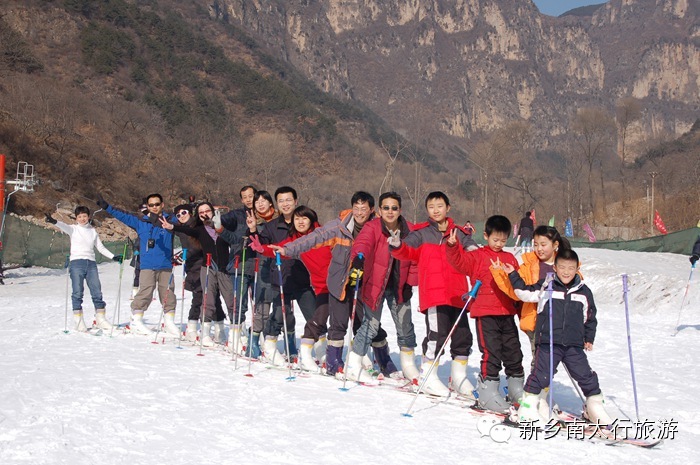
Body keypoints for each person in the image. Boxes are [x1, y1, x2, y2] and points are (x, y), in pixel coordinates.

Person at [277, 191, 388, 376]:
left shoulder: (379, 227)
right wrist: (287, 249)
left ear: (371, 210)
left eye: (364, 209)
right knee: (338, 323)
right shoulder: (340, 226)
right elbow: (315, 236)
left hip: (365, 282)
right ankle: (333, 361)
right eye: (356, 208)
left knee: (369, 323)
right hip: (340, 281)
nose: (359, 212)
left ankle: (383, 360)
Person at [502, 248, 614, 427]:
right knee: (541, 375)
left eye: (571, 268)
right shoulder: (546, 286)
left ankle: (595, 408)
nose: (566, 272)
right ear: (555, 268)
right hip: (548, 342)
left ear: (577, 268)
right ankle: (527, 409)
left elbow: (590, 317)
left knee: (586, 376)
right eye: (562, 267)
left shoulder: (584, 292)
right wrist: (513, 274)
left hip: (573, 345)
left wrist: (588, 338)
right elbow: (523, 292)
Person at [390, 191, 478, 397]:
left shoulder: (459, 233)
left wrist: (475, 250)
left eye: (440, 206)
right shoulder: (421, 233)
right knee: (436, 336)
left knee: (463, 336)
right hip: (435, 294)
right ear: (427, 210)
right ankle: (427, 375)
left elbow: (473, 254)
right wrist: (397, 246)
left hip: (457, 293)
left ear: (448, 208)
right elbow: (407, 251)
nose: (436, 210)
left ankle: (458, 378)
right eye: (431, 206)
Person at [446, 214, 523, 412]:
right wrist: (453, 247)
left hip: (507, 312)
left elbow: (518, 285)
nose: (499, 244)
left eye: (503, 240)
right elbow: (460, 263)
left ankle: (516, 388)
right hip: (485, 313)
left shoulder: (509, 258)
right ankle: (488, 390)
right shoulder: (478, 256)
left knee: (513, 350)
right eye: (495, 239)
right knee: (492, 351)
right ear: (486, 236)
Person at [345, 192, 419, 382]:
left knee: (405, 327)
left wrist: (410, 282)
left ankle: (409, 366)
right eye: (386, 208)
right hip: (375, 285)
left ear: (400, 210)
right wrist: (359, 257)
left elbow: (414, 257)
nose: (390, 211)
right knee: (370, 325)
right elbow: (363, 242)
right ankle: (354, 363)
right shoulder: (372, 227)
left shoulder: (409, 229)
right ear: (379, 210)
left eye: (394, 208)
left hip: (399, 287)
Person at [248, 205, 332, 372]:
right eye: (297, 219)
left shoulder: (324, 234)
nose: (301, 222)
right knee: (279, 315)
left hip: (327, 282)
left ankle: (322, 351)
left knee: (316, 316)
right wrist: (262, 248)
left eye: (304, 218)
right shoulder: (295, 238)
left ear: (312, 219)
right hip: (292, 281)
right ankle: (270, 348)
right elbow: (280, 249)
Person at [97, 193, 178, 335]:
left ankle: (169, 321)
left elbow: (185, 222)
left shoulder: (170, 220)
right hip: (147, 264)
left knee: (168, 293)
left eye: (157, 204)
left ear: (162, 205)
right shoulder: (141, 221)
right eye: (151, 205)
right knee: (145, 291)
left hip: (165, 264)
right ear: (147, 206)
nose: (154, 207)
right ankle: (136, 319)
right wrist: (107, 207)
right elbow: (122, 215)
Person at [161, 202, 233, 346]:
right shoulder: (185, 229)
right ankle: (193, 328)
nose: (181, 216)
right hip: (196, 267)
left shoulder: (202, 224)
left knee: (216, 298)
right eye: (178, 215)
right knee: (201, 297)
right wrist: (172, 228)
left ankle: (220, 329)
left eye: (184, 213)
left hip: (211, 265)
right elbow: (189, 242)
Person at [46, 207, 123, 331]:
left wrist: (113, 257)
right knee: (77, 292)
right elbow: (63, 226)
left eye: (84, 216)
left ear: (88, 217)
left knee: (97, 291)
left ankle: (101, 319)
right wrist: (53, 221)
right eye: (80, 217)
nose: (82, 219)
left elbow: (100, 247)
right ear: (76, 218)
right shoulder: (73, 229)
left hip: (91, 264)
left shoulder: (92, 231)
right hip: (76, 263)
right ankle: (78, 320)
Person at [220, 185, 258, 349]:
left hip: (261, 265)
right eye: (245, 197)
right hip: (240, 264)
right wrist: (214, 219)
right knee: (239, 303)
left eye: (252, 195)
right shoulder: (236, 214)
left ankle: (258, 336)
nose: (249, 199)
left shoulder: (265, 215)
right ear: (242, 199)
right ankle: (235, 335)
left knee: (261, 304)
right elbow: (223, 221)